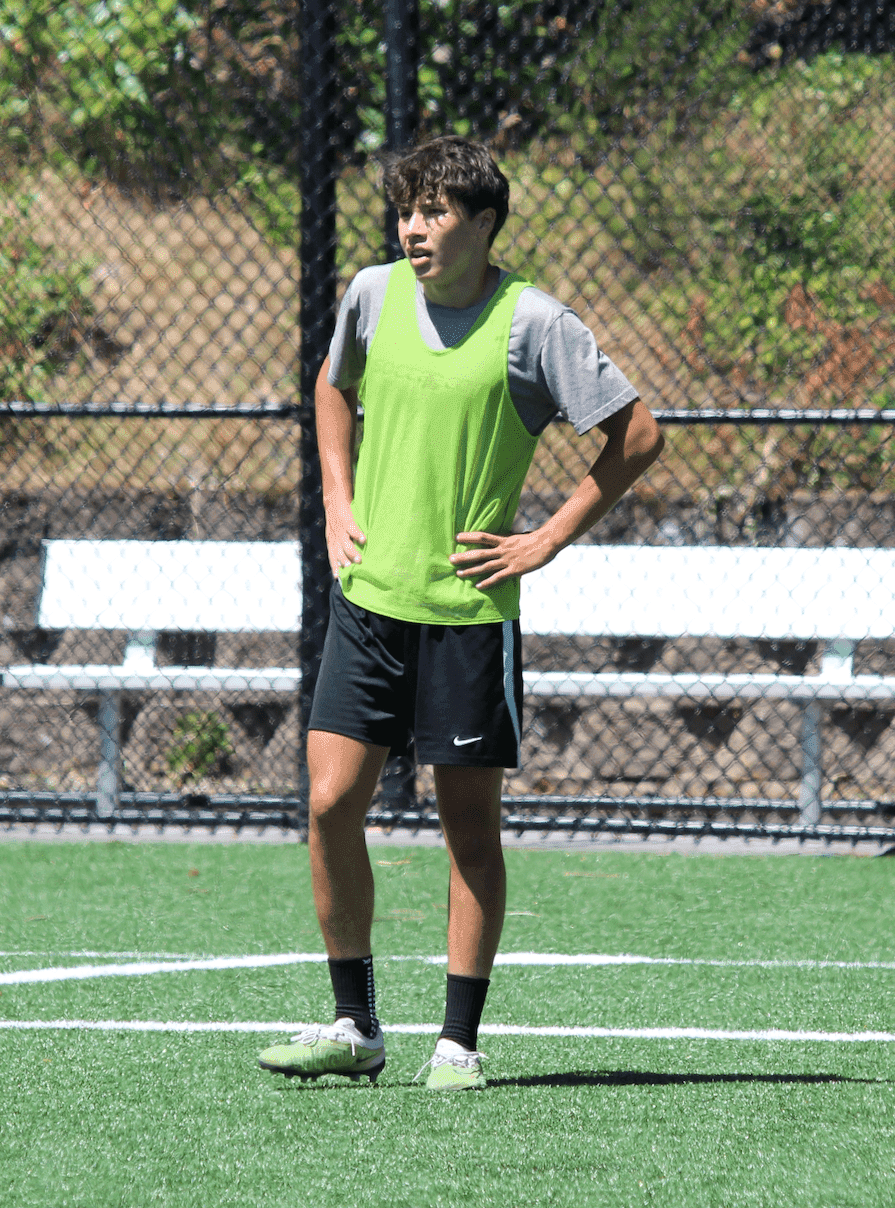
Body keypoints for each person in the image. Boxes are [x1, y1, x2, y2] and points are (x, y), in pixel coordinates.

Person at [257, 135, 663, 1091]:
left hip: (469, 618)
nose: (414, 228)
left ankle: (457, 1043)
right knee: (327, 805)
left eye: (436, 213)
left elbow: (635, 436)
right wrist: (336, 498)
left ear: (484, 225)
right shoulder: (371, 294)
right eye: (407, 210)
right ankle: (354, 1027)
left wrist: (544, 540)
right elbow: (331, 385)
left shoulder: (534, 323)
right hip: (369, 603)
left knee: (467, 831)